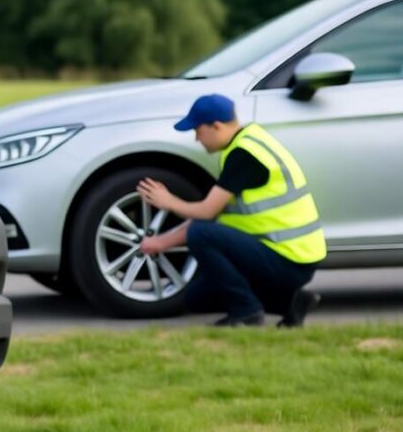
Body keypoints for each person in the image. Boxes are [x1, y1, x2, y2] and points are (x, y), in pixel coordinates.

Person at [137, 94, 325, 327]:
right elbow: (214, 216)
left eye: (198, 131)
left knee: (200, 234)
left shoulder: (244, 155)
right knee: (197, 299)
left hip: (288, 259)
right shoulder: (249, 142)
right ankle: (290, 303)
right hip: (285, 255)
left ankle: (247, 313)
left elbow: (205, 214)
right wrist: (160, 243)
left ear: (216, 126)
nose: (197, 139)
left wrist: (169, 201)